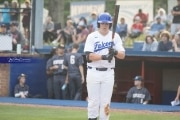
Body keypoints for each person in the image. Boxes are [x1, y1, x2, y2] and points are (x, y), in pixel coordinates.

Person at [84, 12, 125, 120]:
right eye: (102, 23)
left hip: (108, 72)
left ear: (110, 24)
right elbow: (88, 56)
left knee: (106, 102)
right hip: (93, 71)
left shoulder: (115, 36)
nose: (105, 25)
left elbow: (122, 55)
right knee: (93, 101)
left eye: (107, 23)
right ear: (98, 23)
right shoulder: (92, 36)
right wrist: (104, 57)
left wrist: (115, 52)